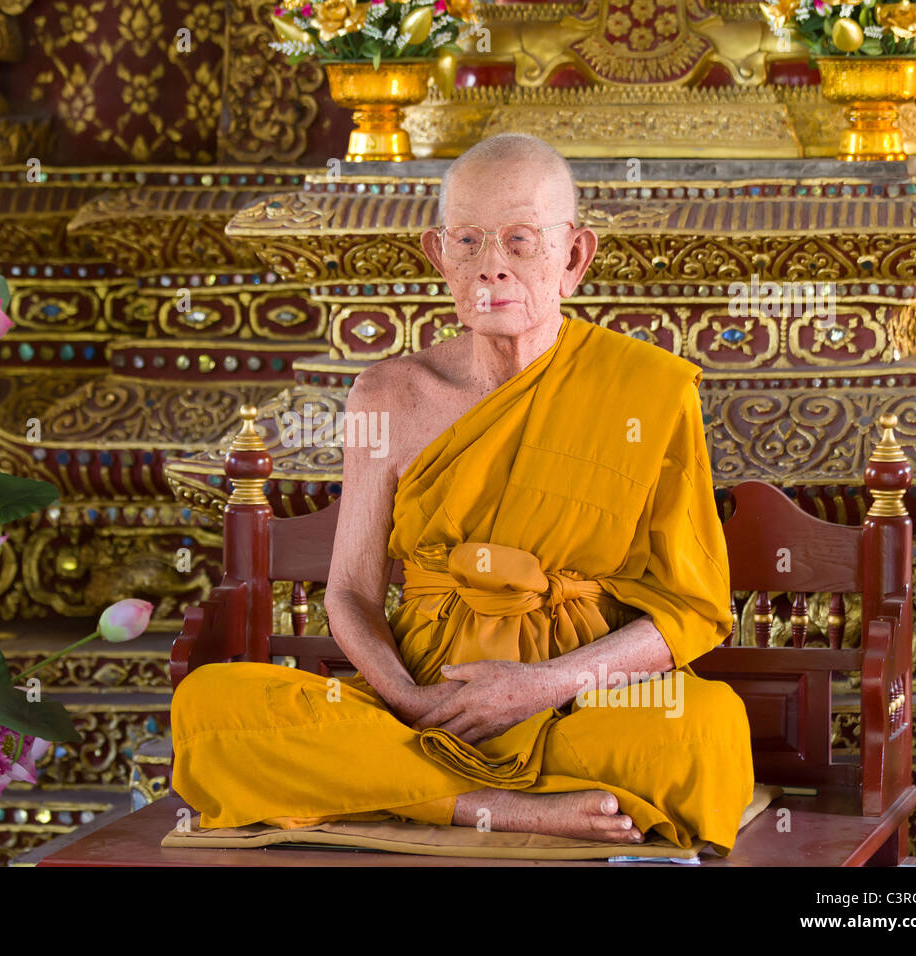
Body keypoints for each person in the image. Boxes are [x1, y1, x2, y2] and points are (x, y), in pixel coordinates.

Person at [171, 132, 755, 853]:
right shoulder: (387, 395)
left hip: (577, 704)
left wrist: (540, 685)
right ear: (437, 254)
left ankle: (410, 791)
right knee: (212, 711)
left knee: (703, 732)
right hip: (422, 696)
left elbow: (691, 609)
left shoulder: (650, 392)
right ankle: (511, 809)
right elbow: (349, 592)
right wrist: (411, 700)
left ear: (573, 258)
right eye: (469, 241)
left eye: (520, 241)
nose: (492, 269)